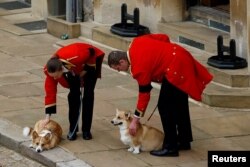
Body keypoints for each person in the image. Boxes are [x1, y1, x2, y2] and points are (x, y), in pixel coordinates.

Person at [108, 33, 213, 157]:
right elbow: (163, 37)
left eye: (118, 68)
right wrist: (165, 55)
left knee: (165, 107)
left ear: (122, 61)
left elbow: (144, 95)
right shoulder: (136, 42)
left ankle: (171, 147)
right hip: (180, 55)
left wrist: (135, 120)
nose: (120, 71)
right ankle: (184, 141)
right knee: (180, 104)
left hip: (175, 69)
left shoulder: (139, 68)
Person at [42, 43, 105, 141]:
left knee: (88, 96)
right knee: (73, 96)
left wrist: (85, 70)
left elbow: (91, 52)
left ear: (60, 69)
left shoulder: (77, 55)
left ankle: (86, 130)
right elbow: (50, 92)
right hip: (73, 70)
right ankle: (73, 129)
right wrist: (47, 116)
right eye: (52, 76)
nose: (54, 78)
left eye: (55, 75)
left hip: (89, 63)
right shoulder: (50, 71)